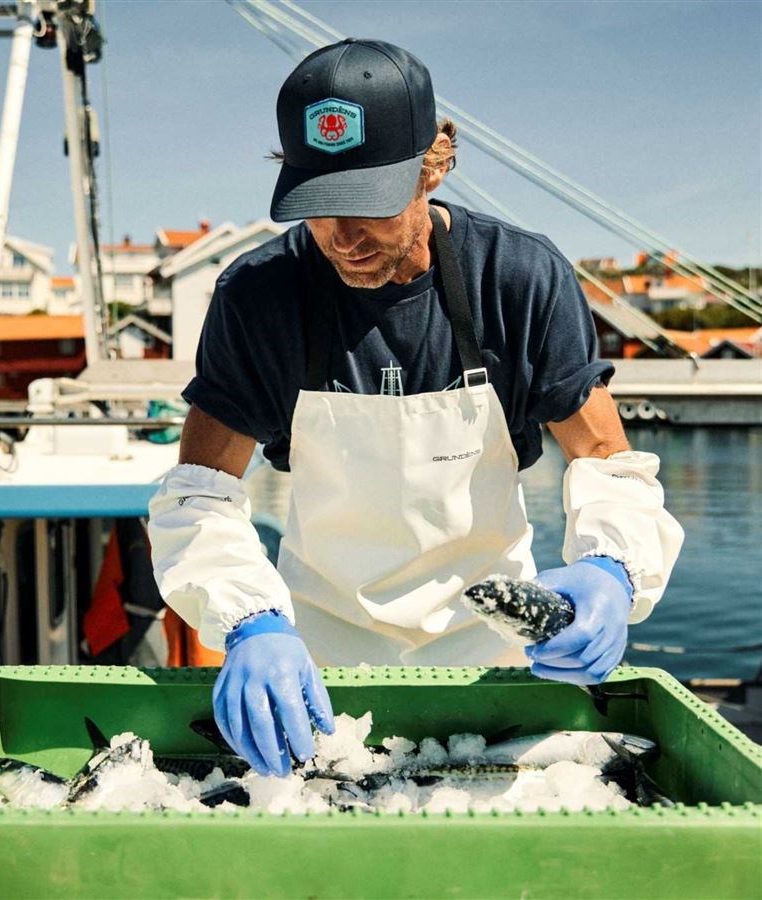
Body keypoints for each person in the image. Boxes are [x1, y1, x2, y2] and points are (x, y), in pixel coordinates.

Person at [148, 39, 684, 777]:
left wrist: (611, 570)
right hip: (319, 663)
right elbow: (199, 494)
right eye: (317, 205)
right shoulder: (258, 296)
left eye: (368, 203)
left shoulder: (519, 277)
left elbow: (603, 458)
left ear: (434, 164)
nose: (342, 237)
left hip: (497, 656)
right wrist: (249, 620)